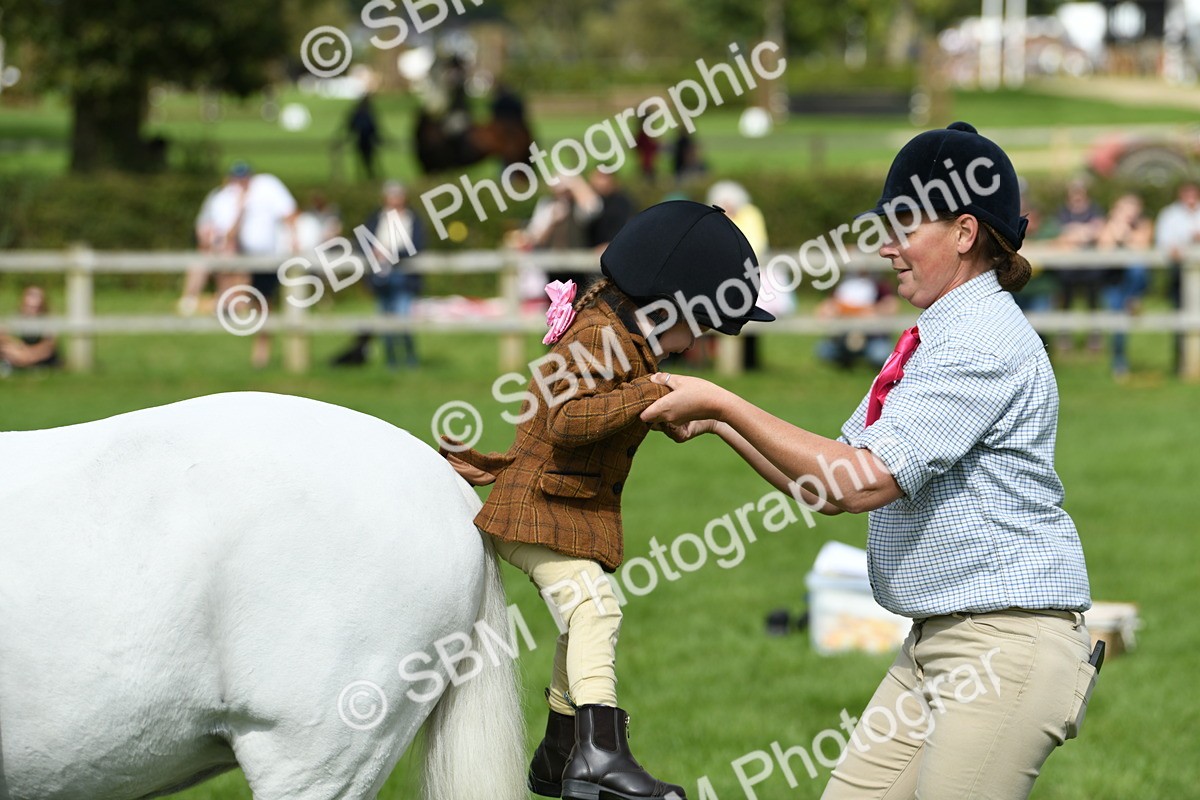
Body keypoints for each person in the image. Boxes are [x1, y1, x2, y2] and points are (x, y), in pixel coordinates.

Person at [641, 123, 1096, 800]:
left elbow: (859, 485)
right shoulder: (936, 332)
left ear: (965, 232)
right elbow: (831, 478)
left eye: (904, 223)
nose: (886, 246)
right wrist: (715, 421)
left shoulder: (979, 341)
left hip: (1005, 649)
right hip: (937, 643)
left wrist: (721, 401)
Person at [441, 201, 775, 800]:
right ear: (671, 304)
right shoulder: (602, 337)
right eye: (699, 327)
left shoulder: (621, 337)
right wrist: (650, 393)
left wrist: (680, 412)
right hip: (536, 511)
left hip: (556, 509)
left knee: (586, 615)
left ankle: (561, 751)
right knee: (597, 608)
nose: (697, 343)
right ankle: (597, 755)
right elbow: (567, 420)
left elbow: (595, 413)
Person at [220, 162, 300, 368]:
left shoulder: (267, 186)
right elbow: (228, 236)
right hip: (245, 261)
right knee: (260, 304)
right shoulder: (227, 198)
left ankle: (274, 352)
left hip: (271, 258)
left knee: (274, 302)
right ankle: (262, 351)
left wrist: (294, 239)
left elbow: (289, 212)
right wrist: (240, 208)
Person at [1096, 193, 1153, 378]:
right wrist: (1116, 230)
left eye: (1134, 209)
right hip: (1113, 282)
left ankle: (1134, 298)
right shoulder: (1108, 225)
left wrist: (1125, 234)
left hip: (1131, 283)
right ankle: (1119, 362)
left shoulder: (1144, 225)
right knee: (1118, 324)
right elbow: (1104, 249)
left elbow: (1142, 247)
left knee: (1137, 266)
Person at [1052, 178, 1107, 352]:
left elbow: (1100, 230)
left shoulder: (1094, 209)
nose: (1077, 196)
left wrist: (1075, 231)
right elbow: (1059, 235)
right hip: (1068, 269)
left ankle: (1095, 337)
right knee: (1065, 303)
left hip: (1090, 268)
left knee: (1093, 303)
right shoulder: (1062, 212)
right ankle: (1064, 336)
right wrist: (1083, 231)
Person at [1154, 182, 1200, 372]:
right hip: (1180, 274)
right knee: (1181, 319)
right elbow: (1164, 242)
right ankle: (1183, 364)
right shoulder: (1170, 215)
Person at [814, 273, 899, 369]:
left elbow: (891, 307)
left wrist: (863, 311)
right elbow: (826, 308)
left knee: (879, 355)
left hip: (872, 337)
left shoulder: (880, 283)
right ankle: (847, 359)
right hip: (845, 335)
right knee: (824, 351)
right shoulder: (845, 282)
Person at [0, 285, 60, 375]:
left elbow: (49, 346)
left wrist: (28, 356)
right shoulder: (15, 317)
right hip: (19, 353)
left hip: (40, 357)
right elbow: (3, 336)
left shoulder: (49, 320)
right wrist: (17, 347)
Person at [346, 94, 382, 181]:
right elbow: (372, 126)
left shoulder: (359, 112)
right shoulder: (366, 113)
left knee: (367, 159)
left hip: (364, 139)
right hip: (365, 139)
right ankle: (369, 176)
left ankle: (369, 175)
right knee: (367, 159)